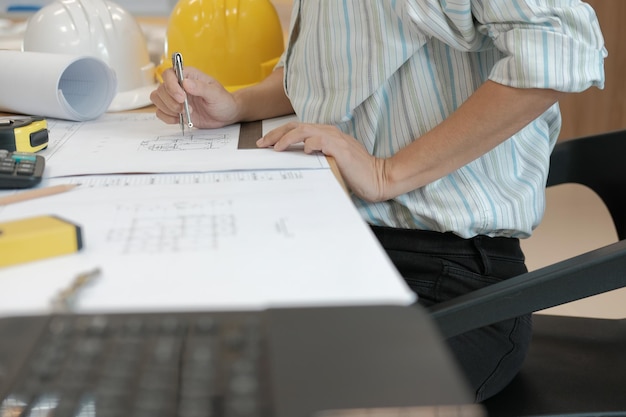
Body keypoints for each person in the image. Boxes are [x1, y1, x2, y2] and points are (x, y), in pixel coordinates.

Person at [151, 0, 607, 401]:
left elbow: (561, 46)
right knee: (177, 348)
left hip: (447, 284)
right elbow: (325, 73)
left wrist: (387, 172)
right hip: (351, 250)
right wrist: (237, 104)